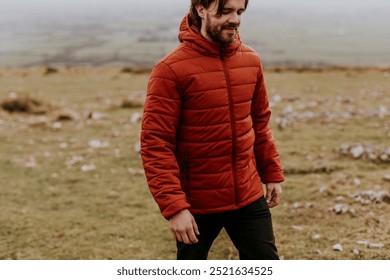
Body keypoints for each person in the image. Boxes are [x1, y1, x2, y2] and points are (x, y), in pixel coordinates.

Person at [140, 0, 284, 260]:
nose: (235, 19)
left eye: (239, 12)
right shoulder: (170, 70)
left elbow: (260, 123)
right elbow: (156, 143)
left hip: (248, 193)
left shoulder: (251, 60)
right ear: (201, 9)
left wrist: (271, 172)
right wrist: (175, 208)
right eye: (225, 11)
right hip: (197, 203)